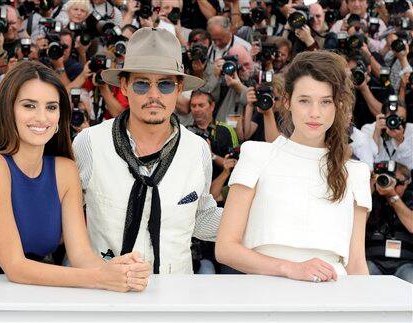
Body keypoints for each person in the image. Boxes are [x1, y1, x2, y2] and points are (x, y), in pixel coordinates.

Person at [0, 61, 151, 292]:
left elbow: (81, 256)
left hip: (31, 301)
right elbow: (16, 267)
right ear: (7, 110)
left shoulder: (65, 169)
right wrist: (100, 278)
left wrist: (117, 271)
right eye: (29, 106)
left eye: (51, 107)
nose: (42, 117)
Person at [73, 27, 222, 274]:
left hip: (176, 295)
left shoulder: (197, 149)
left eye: (165, 85)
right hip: (107, 294)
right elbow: (68, 215)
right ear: (124, 86)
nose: (154, 96)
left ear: (178, 88)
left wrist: (260, 214)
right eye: (142, 85)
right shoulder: (89, 143)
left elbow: (200, 218)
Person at [216, 51, 372, 282]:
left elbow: (357, 265)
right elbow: (226, 249)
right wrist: (290, 268)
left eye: (325, 102)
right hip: (265, 301)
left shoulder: (355, 173)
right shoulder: (256, 154)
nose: (315, 113)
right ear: (287, 101)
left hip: (332, 305)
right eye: (304, 100)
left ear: (338, 105)